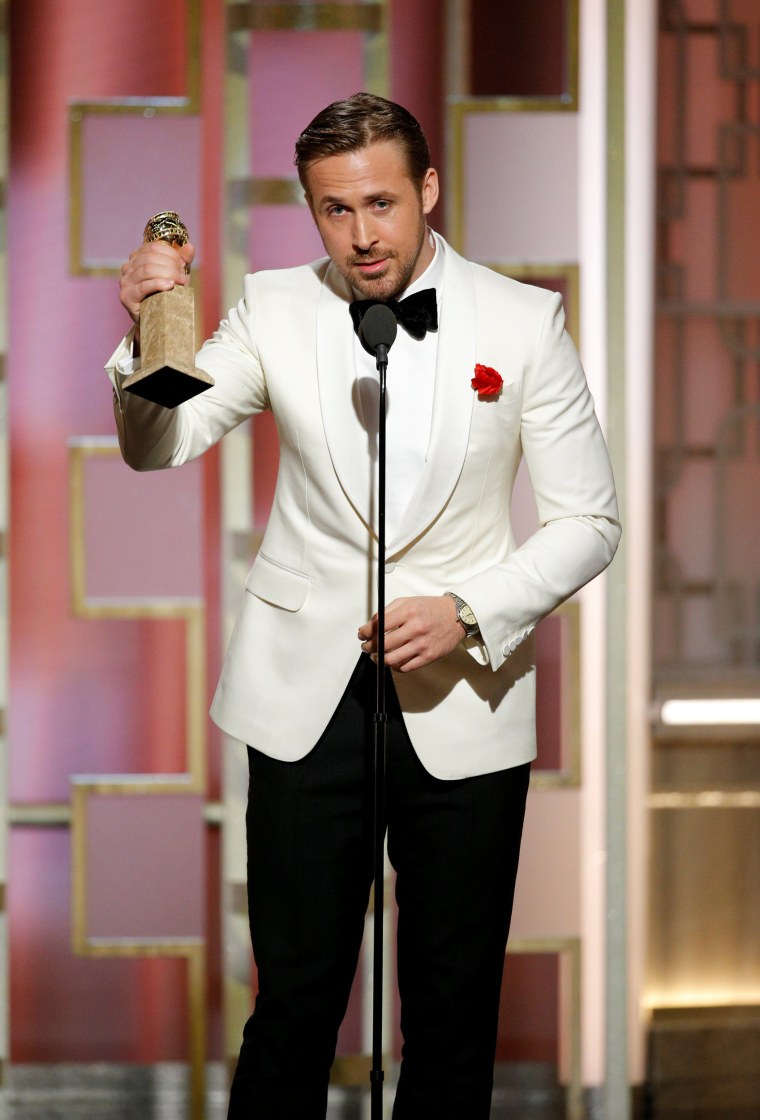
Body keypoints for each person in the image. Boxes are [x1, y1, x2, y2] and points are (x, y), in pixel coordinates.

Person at [109, 92, 620, 1120]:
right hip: (304, 704)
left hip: (462, 701)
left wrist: (469, 608)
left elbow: (589, 522)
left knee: (451, 1009)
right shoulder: (275, 308)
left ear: (428, 189)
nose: (362, 234)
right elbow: (161, 442)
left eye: (381, 204)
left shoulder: (523, 321)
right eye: (334, 211)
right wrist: (145, 338)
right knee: (293, 1004)